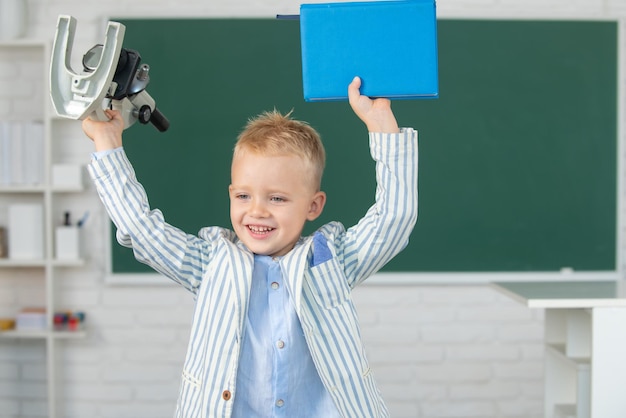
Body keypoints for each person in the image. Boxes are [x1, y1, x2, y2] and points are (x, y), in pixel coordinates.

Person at [82, 76, 418, 418]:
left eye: (277, 198)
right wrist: (108, 145)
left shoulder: (329, 260)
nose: (257, 210)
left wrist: (381, 128)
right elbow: (141, 228)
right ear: (231, 195)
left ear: (313, 206)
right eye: (244, 196)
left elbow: (394, 219)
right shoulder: (211, 263)